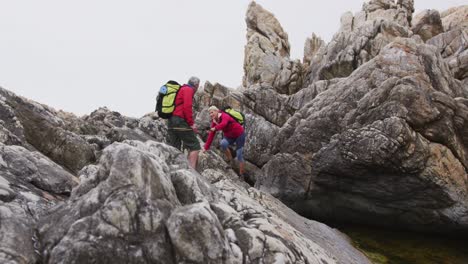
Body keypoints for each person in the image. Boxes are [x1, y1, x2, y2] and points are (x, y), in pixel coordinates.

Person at [167, 76, 201, 169]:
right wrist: (191, 124)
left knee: (175, 147)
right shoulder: (188, 90)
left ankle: (174, 169)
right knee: (195, 146)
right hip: (179, 121)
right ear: (196, 85)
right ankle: (191, 172)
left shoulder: (181, 89)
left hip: (171, 121)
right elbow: (187, 107)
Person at [203, 105, 246, 178]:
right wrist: (205, 148)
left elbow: (224, 124)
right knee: (223, 143)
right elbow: (211, 135)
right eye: (209, 113)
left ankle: (242, 173)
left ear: (217, 111)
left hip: (239, 134)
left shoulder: (224, 115)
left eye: (212, 112)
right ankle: (230, 161)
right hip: (229, 136)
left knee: (239, 154)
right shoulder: (215, 121)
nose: (211, 115)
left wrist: (215, 128)